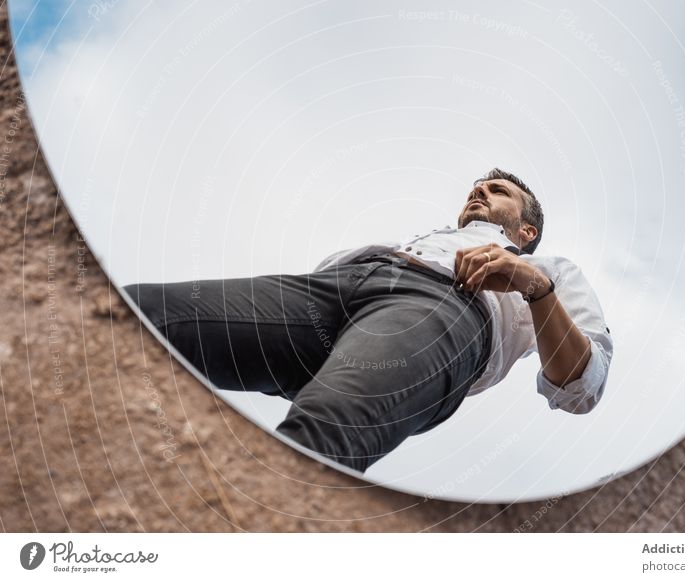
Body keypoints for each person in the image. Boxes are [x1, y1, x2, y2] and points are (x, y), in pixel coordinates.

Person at [123, 168, 613, 472]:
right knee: (142, 314)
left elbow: (583, 386)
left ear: (526, 230)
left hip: (444, 309)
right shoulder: (422, 236)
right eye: (475, 188)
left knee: (317, 440)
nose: (478, 191)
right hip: (340, 288)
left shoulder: (552, 271)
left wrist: (533, 287)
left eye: (496, 190)